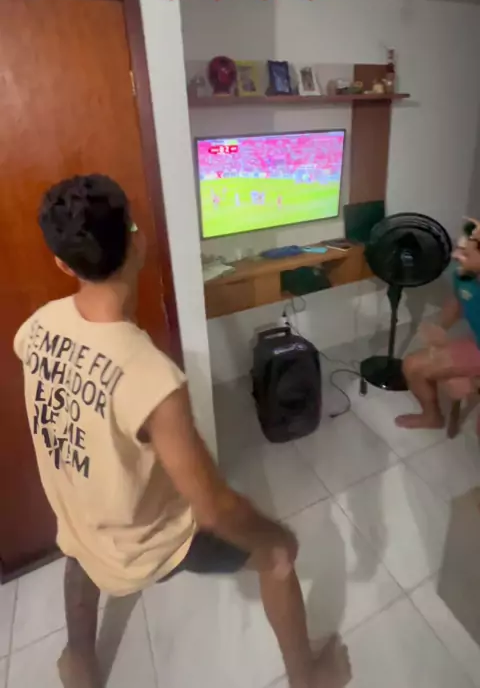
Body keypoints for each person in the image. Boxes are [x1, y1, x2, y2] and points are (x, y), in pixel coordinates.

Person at [13, 175, 350, 688]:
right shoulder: (150, 377)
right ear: (137, 239)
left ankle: (79, 661)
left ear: (63, 263)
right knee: (278, 556)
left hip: (80, 522)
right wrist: (275, 534)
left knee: (80, 553)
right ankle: (308, 679)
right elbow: (214, 509)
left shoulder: (37, 327)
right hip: (146, 544)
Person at [397, 218, 480, 429]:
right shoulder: (464, 274)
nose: (455, 256)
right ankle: (432, 417)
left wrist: (474, 383)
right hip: (476, 346)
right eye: (459, 249)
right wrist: (440, 327)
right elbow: (458, 301)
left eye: (466, 253)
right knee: (412, 366)